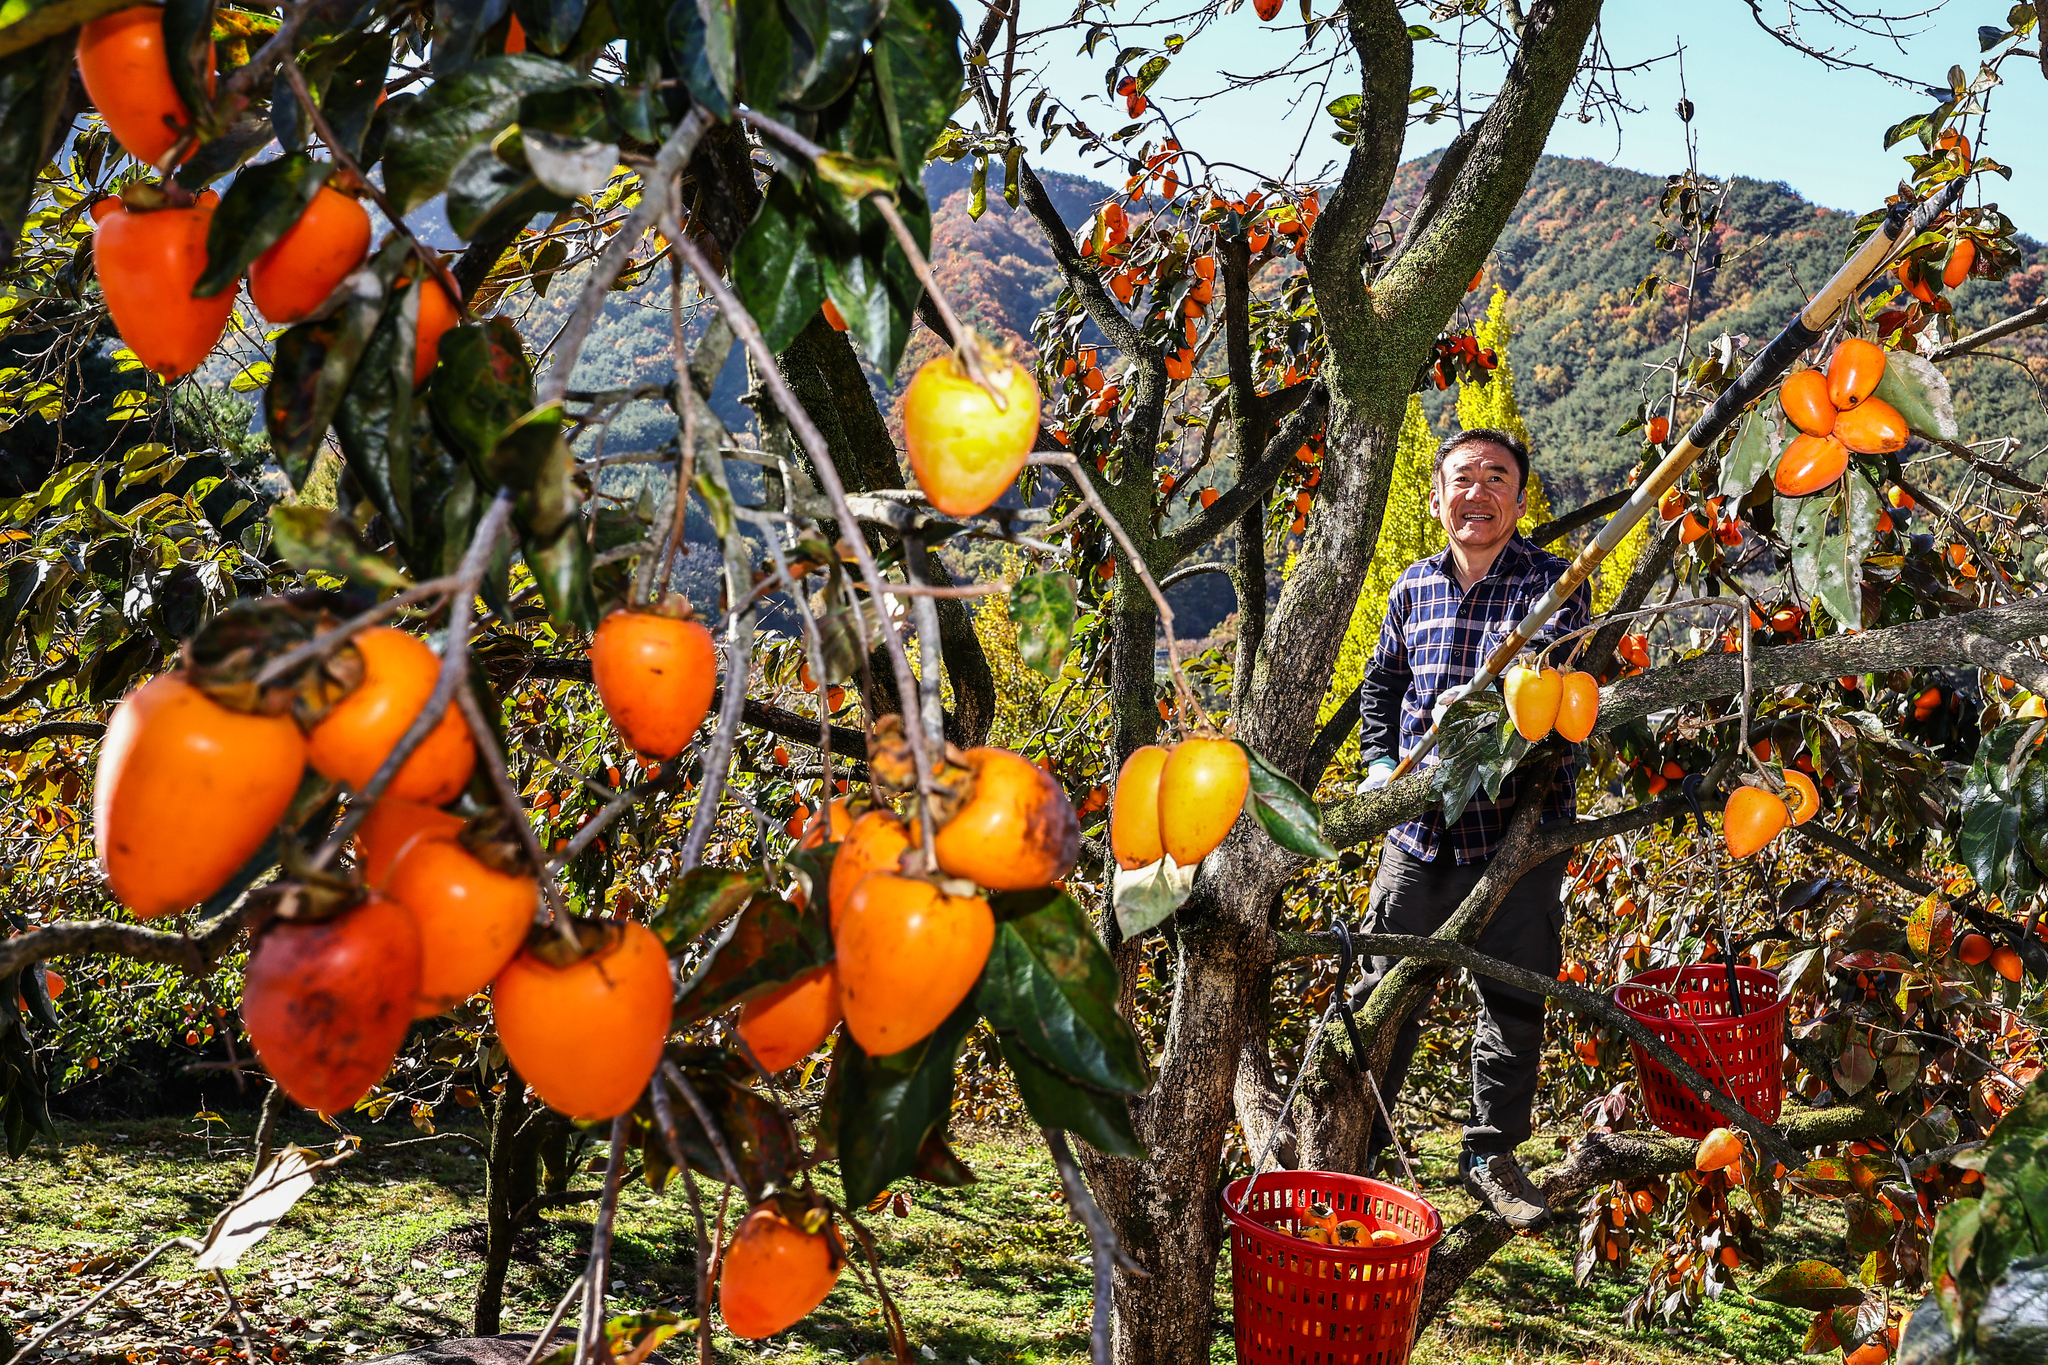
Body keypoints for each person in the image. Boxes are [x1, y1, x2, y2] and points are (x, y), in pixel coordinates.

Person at [1353, 426, 1590, 1232]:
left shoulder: (1554, 587)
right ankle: (1357, 1145)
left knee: (1514, 997)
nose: (1477, 492)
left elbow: (1557, 696)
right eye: (1462, 477)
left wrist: (1487, 715)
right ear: (1437, 497)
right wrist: (1381, 767)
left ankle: (1490, 1152)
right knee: (1384, 991)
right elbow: (1379, 688)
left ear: (1521, 502)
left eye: (1497, 477)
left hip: (1515, 832)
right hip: (1418, 836)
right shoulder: (1411, 588)